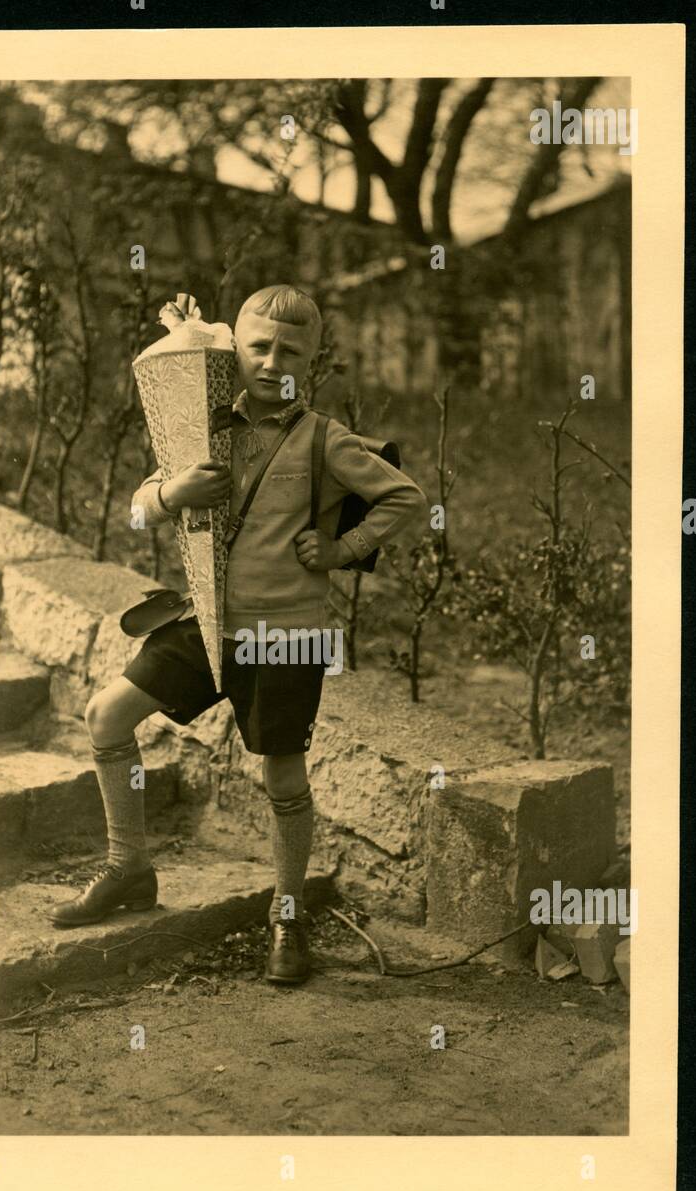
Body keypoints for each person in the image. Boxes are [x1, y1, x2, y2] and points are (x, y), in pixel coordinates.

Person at [50, 284, 428, 984]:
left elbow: (405, 497)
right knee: (106, 714)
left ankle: (286, 914)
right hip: (205, 621)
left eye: (290, 350)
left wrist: (342, 552)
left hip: (285, 634)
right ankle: (127, 864)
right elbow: (138, 509)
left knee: (280, 773)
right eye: (258, 345)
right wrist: (171, 495)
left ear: (310, 363)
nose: (271, 360)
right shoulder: (203, 426)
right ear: (237, 349)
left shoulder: (323, 438)